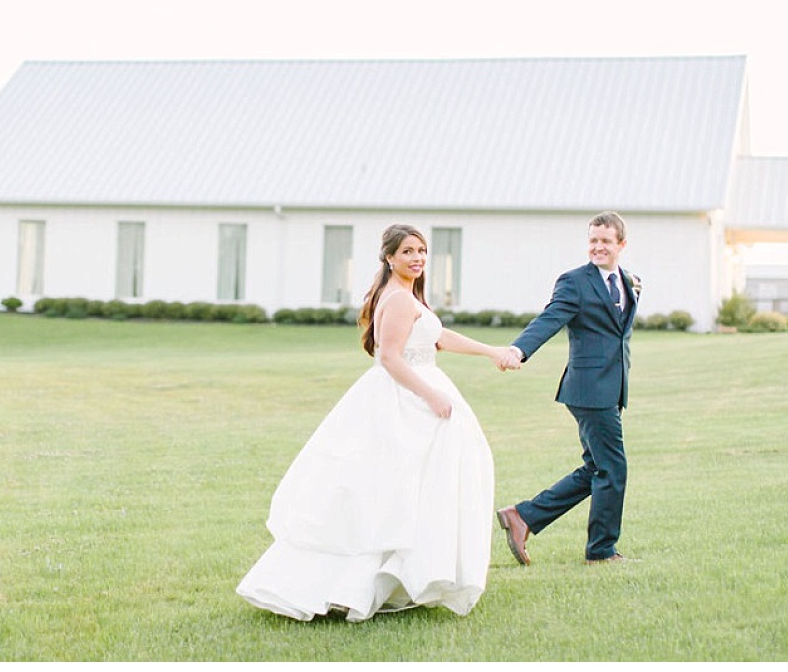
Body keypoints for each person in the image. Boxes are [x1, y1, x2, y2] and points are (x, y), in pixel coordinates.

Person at [237, 224, 514, 622]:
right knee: (397, 491)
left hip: (410, 391)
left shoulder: (406, 296)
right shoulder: (399, 299)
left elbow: (437, 338)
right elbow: (389, 357)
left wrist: (491, 351)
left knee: (407, 489)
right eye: (407, 252)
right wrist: (431, 395)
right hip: (406, 399)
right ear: (389, 258)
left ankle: (398, 578)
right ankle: (367, 582)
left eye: (421, 250)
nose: (417, 258)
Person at [495, 211, 642, 566]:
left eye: (605, 241)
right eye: (593, 240)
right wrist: (519, 349)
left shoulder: (630, 281)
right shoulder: (575, 282)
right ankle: (601, 551)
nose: (598, 247)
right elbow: (549, 318)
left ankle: (523, 516)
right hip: (588, 390)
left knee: (596, 468)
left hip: (613, 387)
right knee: (613, 468)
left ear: (621, 244)